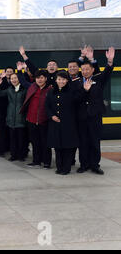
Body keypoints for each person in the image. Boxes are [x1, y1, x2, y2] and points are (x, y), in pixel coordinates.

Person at [73, 47, 116, 175]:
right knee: (83, 142)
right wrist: (85, 90)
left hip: (95, 116)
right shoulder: (76, 83)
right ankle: (83, 165)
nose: (85, 71)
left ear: (92, 70)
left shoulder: (98, 80)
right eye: (83, 69)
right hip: (81, 117)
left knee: (95, 141)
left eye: (87, 69)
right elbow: (75, 99)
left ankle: (95, 165)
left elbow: (107, 72)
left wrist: (110, 61)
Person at [46, 71, 82, 175]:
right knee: (57, 147)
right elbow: (47, 106)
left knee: (68, 147)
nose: (61, 81)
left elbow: (79, 100)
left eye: (63, 79)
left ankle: (66, 168)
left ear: (67, 80)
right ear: (56, 80)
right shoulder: (51, 91)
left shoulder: (72, 91)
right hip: (55, 123)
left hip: (69, 124)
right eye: (59, 79)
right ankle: (59, 167)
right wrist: (52, 116)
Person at [17, 62, 53, 169]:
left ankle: (46, 162)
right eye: (37, 78)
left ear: (46, 78)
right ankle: (36, 161)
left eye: (42, 77)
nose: (39, 80)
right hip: (31, 120)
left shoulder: (50, 89)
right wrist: (19, 71)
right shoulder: (32, 86)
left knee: (45, 143)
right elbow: (23, 81)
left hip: (44, 120)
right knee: (35, 142)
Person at [0, 72, 28, 162]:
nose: (14, 80)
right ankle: (13, 155)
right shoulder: (9, 89)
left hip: (21, 118)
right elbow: (0, 94)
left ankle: (21, 155)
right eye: (12, 78)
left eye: (15, 78)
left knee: (21, 139)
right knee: (12, 139)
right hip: (11, 118)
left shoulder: (24, 90)